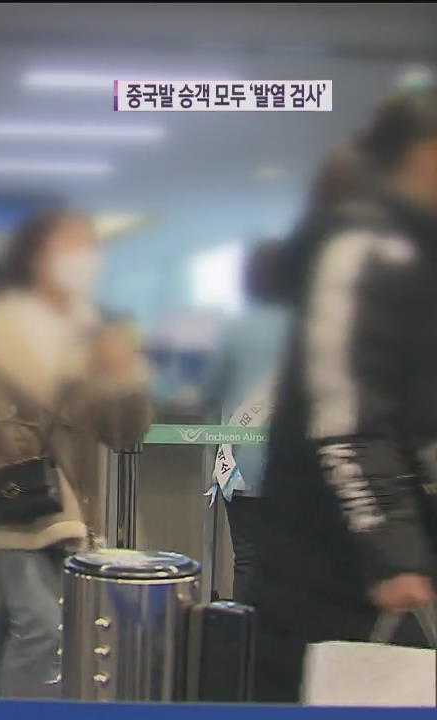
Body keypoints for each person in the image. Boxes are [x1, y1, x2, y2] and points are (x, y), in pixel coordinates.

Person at [0, 208, 152, 698]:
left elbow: (124, 432)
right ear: (35, 255)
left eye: (88, 246)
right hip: (5, 504)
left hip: (71, 510)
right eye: (69, 246)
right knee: (41, 625)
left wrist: (125, 375)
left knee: (33, 626)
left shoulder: (93, 332)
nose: (82, 258)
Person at [252, 87, 437, 702]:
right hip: (333, 556)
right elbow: (345, 413)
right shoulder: (363, 248)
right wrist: (391, 550)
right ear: (425, 154)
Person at [200, 242, 291, 604]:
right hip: (292, 465)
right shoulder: (307, 327)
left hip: (239, 463)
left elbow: (211, 391)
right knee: (291, 563)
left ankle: (243, 643)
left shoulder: (235, 329)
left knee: (248, 557)